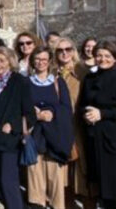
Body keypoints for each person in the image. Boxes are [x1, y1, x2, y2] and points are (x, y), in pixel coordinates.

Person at [79, 41, 116, 209]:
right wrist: (87, 114)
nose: (102, 59)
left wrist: (103, 114)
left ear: (114, 58)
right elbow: (83, 103)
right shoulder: (89, 79)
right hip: (95, 139)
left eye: (107, 56)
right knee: (103, 190)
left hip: (115, 141)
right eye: (99, 55)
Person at [0, 47, 34, 209]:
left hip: (10, 139)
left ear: (10, 62)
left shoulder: (20, 81)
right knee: (0, 181)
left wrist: (13, 125)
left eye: (2, 60)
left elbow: (30, 114)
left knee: (8, 181)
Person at [26, 46, 74, 209]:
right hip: (34, 136)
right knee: (35, 177)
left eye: (44, 59)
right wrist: (35, 115)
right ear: (33, 61)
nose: (40, 63)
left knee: (55, 180)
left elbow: (67, 108)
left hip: (54, 136)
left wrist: (50, 112)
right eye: (37, 59)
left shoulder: (58, 83)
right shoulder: (26, 82)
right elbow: (21, 107)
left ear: (49, 62)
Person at [54, 37, 93, 208]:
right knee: (63, 178)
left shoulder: (82, 71)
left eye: (68, 49)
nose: (64, 53)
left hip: (79, 128)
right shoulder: (51, 72)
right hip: (57, 128)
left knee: (83, 176)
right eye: (60, 50)